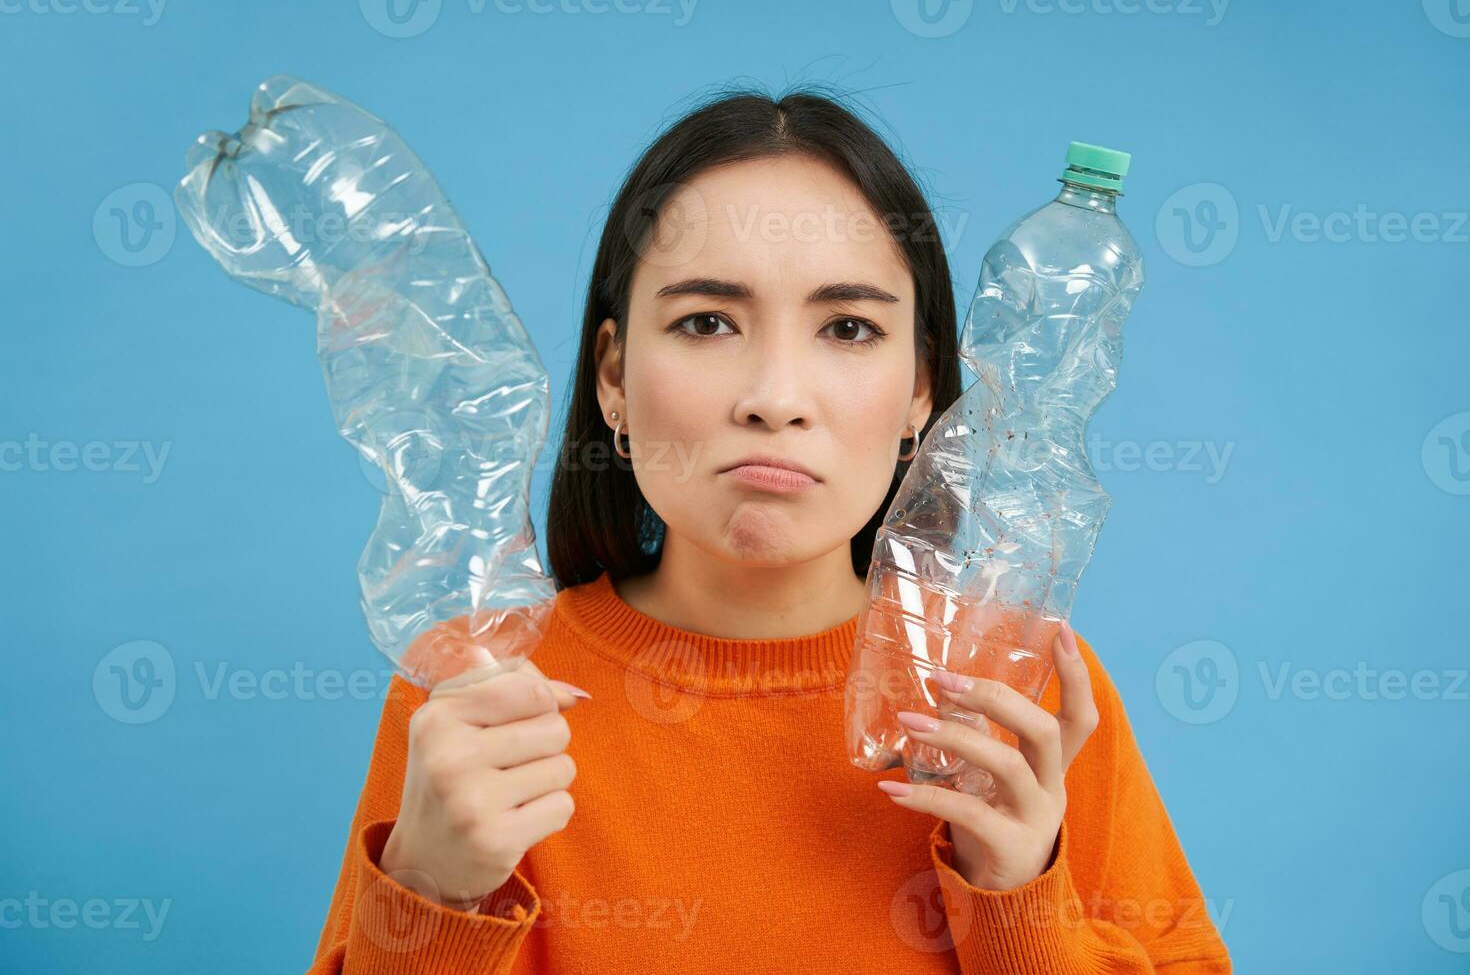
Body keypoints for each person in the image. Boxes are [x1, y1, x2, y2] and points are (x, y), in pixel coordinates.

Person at [307, 84, 1232, 974]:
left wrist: (1018, 897)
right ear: (614, 378)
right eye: (707, 322)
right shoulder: (479, 692)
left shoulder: (1011, 697)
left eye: (848, 329)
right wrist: (434, 899)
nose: (775, 399)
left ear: (922, 391)